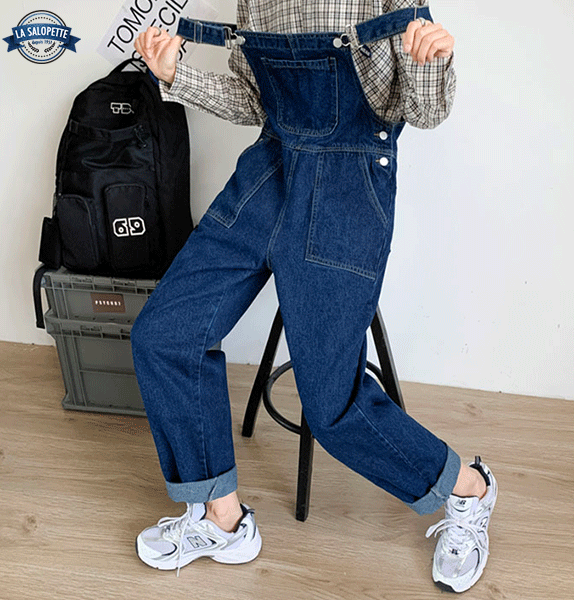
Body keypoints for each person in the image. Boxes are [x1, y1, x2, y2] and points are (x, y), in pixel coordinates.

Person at [131, 0, 498, 593]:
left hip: (349, 185)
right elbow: (253, 101)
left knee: (330, 406)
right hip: (270, 169)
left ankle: (469, 488)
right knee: (164, 335)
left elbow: (424, 111)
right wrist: (176, 76)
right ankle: (222, 520)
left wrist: (431, 61)